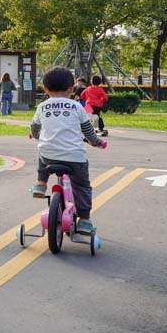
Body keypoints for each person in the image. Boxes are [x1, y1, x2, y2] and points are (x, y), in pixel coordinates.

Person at [28, 66, 107, 234]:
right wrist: (96, 142)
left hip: (48, 156)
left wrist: (36, 136)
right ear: (72, 88)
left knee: (43, 149)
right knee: (82, 186)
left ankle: (41, 184)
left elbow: (34, 127)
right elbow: (88, 130)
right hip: (74, 158)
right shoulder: (77, 107)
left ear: (45, 89)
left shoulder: (42, 106)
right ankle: (85, 219)